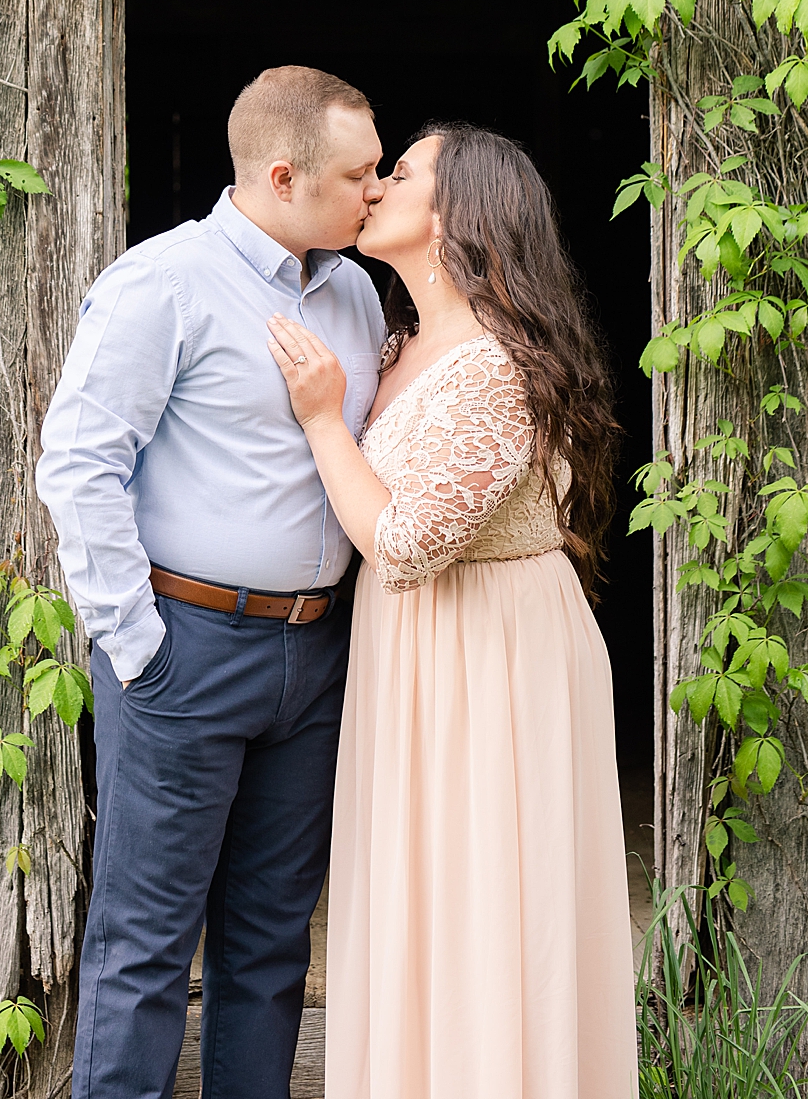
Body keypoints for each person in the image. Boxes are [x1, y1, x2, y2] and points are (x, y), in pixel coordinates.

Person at [35, 66, 389, 1099]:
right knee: (146, 944)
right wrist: (134, 644)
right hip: (185, 653)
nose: (378, 188)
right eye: (360, 173)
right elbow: (79, 464)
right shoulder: (164, 284)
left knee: (273, 945)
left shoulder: (357, 294)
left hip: (316, 658)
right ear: (285, 176)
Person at [266, 119, 637, 1099]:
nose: (377, 184)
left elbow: (405, 542)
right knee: (416, 910)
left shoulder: (497, 367)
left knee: (489, 912)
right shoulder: (398, 345)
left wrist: (317, 418)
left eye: (404, 172)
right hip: (414, 659)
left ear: (462, 214)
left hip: (494, 667)